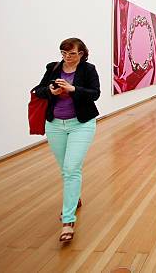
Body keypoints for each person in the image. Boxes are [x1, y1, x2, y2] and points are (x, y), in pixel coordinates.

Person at [33, 37, 100, 242]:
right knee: (65, 169)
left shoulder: (88, 70)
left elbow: (95, 94)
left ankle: (68, 221)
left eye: (71, 53)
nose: (67, 57)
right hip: (54, 125)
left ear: (81, 53)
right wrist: (51, 91)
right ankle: (74, 197)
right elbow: (40, 90)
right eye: (63, 53)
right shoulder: (53, 68)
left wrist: (73, 89)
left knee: (71, 169)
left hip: (81, 124)